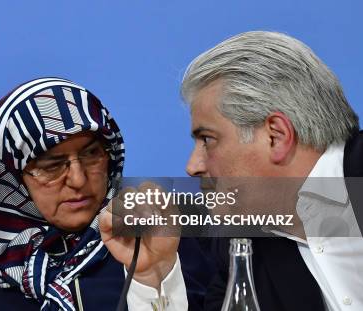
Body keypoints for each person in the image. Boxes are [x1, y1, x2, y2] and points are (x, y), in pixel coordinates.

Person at [103, 31, 363, 310]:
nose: (192, 167)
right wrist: (154, 275)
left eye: (207, 140)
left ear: (275, 136)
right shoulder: (241, 252)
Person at [0, 77, 190, 311]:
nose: (78, 180)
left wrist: (152, 275)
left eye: (91, 154)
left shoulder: (154, 233)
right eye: (51, 165)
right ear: (12, 178)